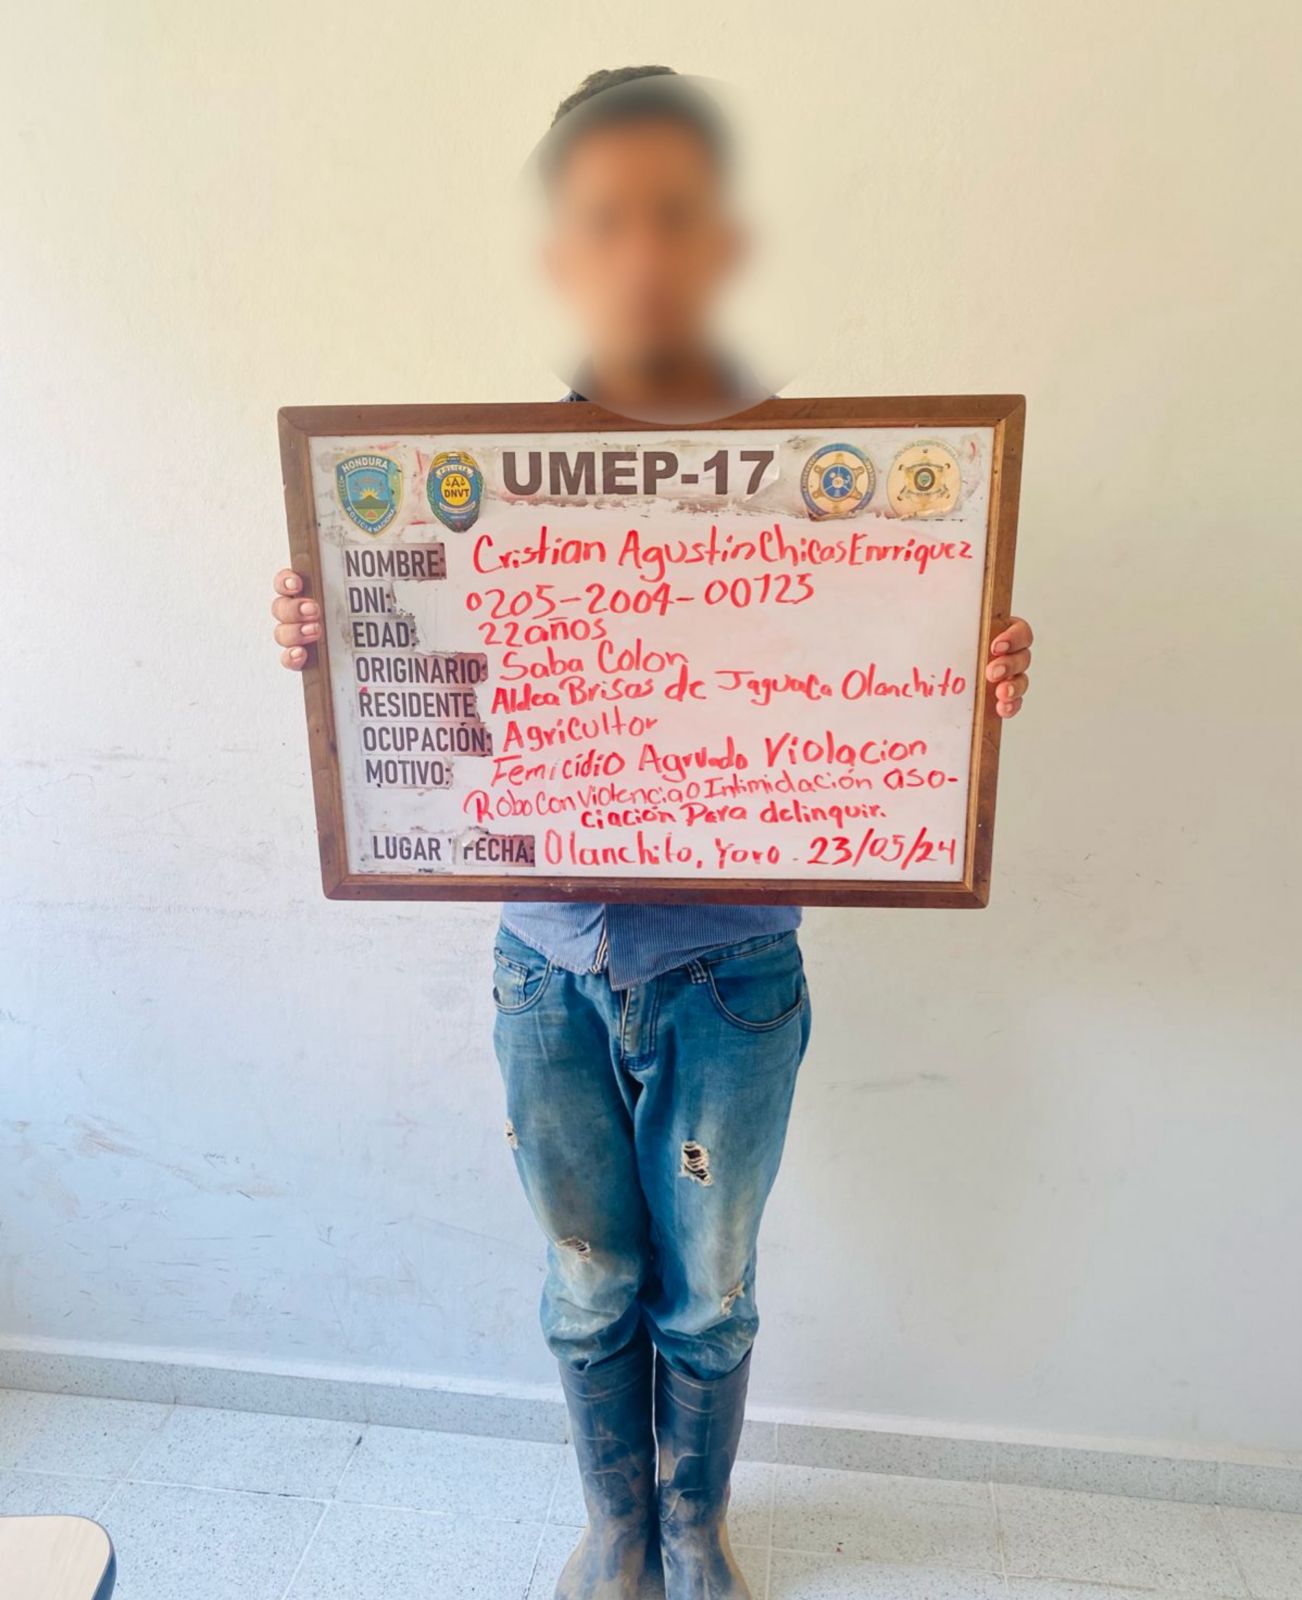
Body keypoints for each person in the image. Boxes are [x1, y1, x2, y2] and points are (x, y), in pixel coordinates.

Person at [269, 65, 1034, 1600]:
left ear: (725, 241)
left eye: (674, 214)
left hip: (729, 972)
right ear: (559, 252)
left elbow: (886, 671)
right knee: (584, 1281)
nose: (640, 251)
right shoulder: (450, 494)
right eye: (604, 219)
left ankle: (691, 1527)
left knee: (709, 1293)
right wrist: (330, 630)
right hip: (542, 967)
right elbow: (423, 684)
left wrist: (967, 672)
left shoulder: (834, 494)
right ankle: (618, 1527)